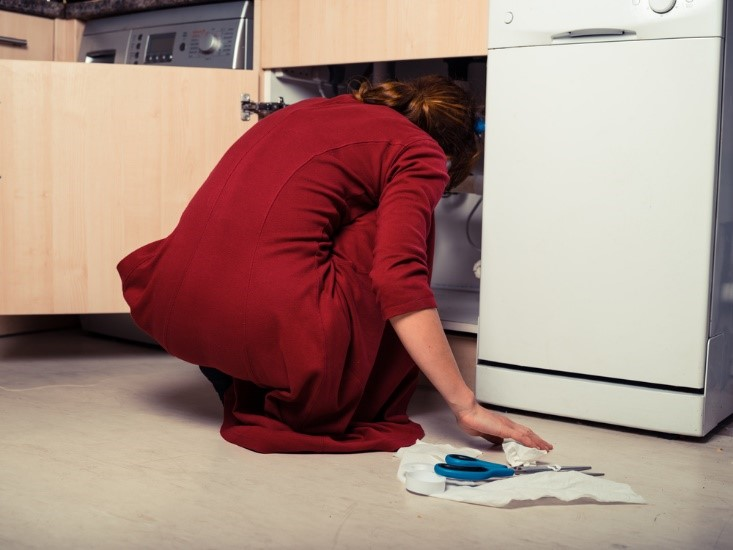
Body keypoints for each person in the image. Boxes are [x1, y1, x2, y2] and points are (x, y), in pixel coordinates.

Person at [117, 75, 553, 454]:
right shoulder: (419, 152)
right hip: (260, 323)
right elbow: (397, 276)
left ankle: (243, 368)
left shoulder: (302, 111)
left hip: (174, 309)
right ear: (451, 150)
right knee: (388, 233)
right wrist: (465, 404)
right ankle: (317, 386)